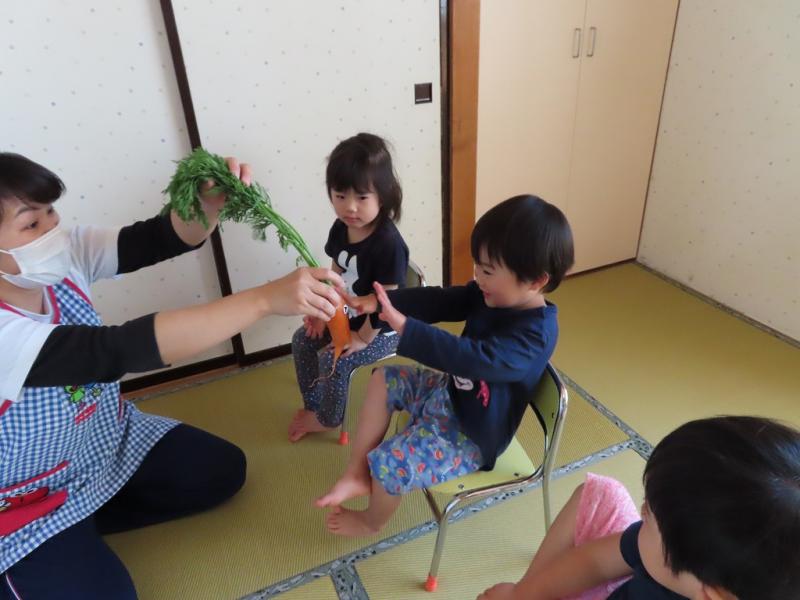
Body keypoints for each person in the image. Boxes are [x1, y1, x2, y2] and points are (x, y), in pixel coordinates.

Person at [0, 152, 344, 599]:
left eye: (51, 212)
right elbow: (116, 350)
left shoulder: (64, 255)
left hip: (101, 444)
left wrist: (207, 206)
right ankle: (57, 539)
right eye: (31, 224)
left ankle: (81, 519)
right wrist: (264, 300)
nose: (52, 230)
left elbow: (158, 238)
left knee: (219, 472)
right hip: (23, 500)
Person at [315, 194, 575, 537]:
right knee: (383, 380)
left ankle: (370, 522)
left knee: (389, 464)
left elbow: (470, 357)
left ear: (535, 281)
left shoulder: (535, 336)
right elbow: (440, 300)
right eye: (477, 266)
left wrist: (406, 328)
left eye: (487, 271)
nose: (477, 277)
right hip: (450, 394)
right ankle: (355, 473)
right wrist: (380, 303)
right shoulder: (491, 294)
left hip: (472, 434)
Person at [476, 415, 800, 600]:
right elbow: (595, 562)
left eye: (649, 515)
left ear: (709, 593)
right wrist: (523, 595)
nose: (641, 508)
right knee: (601, 494)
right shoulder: (694, 559)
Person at [288, 133, 409, 442]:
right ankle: (314, 406)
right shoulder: (342, 227)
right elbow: (335, 274)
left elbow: (386, 304)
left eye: (362, 197)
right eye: (340, 196)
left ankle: (329, 420)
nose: (350, 207)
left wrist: (362, 337)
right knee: (302, 340)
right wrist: (324, 312)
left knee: (333, 359)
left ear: (383, 195)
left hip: (381, 328)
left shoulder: (388, 245)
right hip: (348, 314)